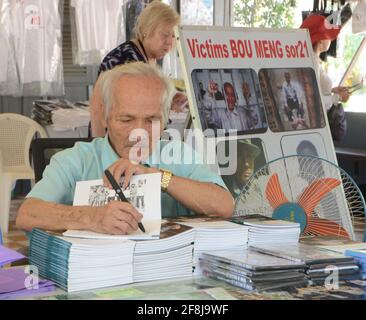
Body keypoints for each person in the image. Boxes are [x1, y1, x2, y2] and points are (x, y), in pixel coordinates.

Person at [16, 62, 234, 235]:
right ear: (106, 117)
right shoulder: (74, 160)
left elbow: (224, 206)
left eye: (151, 120)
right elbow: (27, 215)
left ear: (166, 118)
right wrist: (93, 218)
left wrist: (160, 178)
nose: (138, 132)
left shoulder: (178, 154)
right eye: (126, 119)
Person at [90, 1, 181, 137]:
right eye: (164, 35)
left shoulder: (151, 57)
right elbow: (98, 107)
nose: (170, 42)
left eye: (173, 36)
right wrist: (100, 151)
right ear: (146, 31)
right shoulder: (123, 58)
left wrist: (170, 99)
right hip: (119, 143)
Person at [300, 15, 350, 113]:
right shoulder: (312, 62)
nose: (331, 40)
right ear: (321, 40)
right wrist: (338, 97)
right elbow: (314, 102)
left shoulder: (311, 59)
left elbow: (313, 91)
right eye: (329, 36)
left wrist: (331, 90)